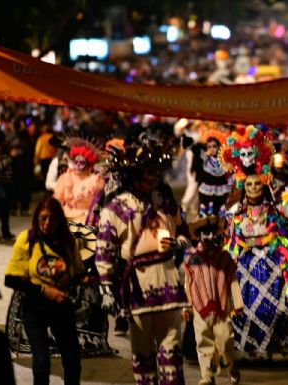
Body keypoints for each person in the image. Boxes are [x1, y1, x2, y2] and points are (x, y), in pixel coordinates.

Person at [95, 126, 190, 385]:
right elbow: (104, 250)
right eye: (146, 170)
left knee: (172, 355)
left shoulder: (165, 201)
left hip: (169, 285)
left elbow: (183, 231)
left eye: (154, 170)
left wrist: (179, 245)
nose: (152, 175)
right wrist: (106, 288)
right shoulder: (115, 207)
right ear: (133, 173)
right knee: (143, 356)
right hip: (138, 291)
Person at [221, 125, 288, 357]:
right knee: (245, 308)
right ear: (243, 187)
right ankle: (252, 347)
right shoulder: (235, 210)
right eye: (249, 184)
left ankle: (274, 345)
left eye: (258, 184)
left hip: (272, 262)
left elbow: (287, 228)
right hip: (245, 263)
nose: (255, 187)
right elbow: (230, 240)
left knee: (277, 308)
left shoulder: (273, 208)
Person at [4, 197, 84, 385]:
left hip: (61, 305)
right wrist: (43, 290)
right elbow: (11, 279)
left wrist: (74, 281)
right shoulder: (27, 240)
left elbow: (78, 274)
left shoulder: (68, 242)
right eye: (43, 218)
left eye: (52, 219)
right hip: (35, 307)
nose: (47, 224)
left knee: (73, 362)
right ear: (36, 218)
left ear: (59, 221)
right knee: (41, 363)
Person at [182, 209, 244, 385]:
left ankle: (231, 367)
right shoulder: (193, 259)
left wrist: (237, 303)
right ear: (199, 236)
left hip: (221, 308)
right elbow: (189, 284)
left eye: (211, 233)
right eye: (204, 233)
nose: (208, 236)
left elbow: (232, 281)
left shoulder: (224, 258)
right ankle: (207, 376)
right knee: (204, 341)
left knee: (225, 342)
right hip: (200, 308)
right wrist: (187, 306)